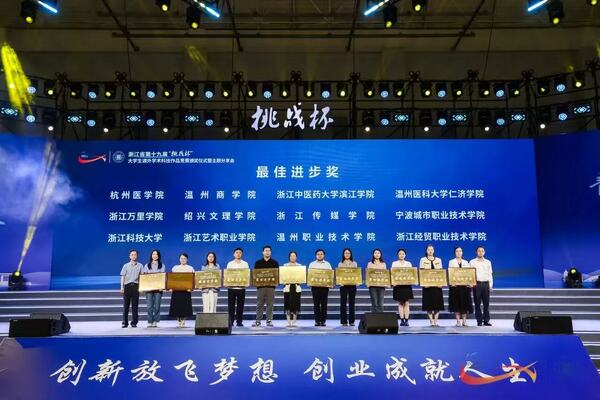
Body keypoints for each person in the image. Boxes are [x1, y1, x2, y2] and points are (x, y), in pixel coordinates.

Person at [252, 245, 279, 327]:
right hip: (261, 287)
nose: (267, 252)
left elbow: (277, 275)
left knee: (270, 304)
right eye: (266, 251)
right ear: (263, 252)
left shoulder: (275, 263)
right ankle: (258, 320)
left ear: (271, 252)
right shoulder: (258, 263)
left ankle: (269, 320)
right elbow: (255, 275)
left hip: (271, 287)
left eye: (269, 251)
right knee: (259, 303)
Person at [419, 244, 444, 327]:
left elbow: (441, 273)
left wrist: (441, 283)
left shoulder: (438, 260)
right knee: (428, 304)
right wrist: (423, 284)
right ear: (426, 251)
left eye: (431, 249)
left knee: (437, 304)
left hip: (437, 286)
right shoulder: (423, 260)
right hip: (427, 286)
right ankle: (431, 321)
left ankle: (436, 321)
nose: (430, 251)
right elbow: (421, 273)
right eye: (429, 249)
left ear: (434, 251)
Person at [448, 246, 474, 327]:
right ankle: (458, 321)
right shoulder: (451, 262)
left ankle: (464, 321)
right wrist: (451, 282)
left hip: (464, 287)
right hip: (455, 287)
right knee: (456, 304)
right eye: (457, 251)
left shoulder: (466, 262)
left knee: (465, 304)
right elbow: (450, 273)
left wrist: (470, 283)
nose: (458, 252)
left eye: (460, 251)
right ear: (455, 253)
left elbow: (469, 274)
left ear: (462, 252)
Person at [169, 253, 195, 327]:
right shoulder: (175, 268)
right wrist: (171, 287)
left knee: (185, 306)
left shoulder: (190, 268)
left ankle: (183, 321)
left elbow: (193, 279)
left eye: (184, 258)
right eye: (181, 258)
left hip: (186, 291)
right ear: (179, 259)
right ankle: (179, 320)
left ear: (187, 259)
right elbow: (172, 279)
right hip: (176, 290)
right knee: (177, 306)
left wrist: (191, 288)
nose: (183, 260)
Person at [142, 249, 166, 328]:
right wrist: (144, 286)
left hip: (158, 289)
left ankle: (155, 321)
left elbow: (162, 277)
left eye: (156, 254)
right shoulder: (147, 265)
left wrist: (162, 287)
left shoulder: (162, 265)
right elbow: (144, 277)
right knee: (149, 306)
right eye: (153, 254)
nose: (155, 256)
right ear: (151, 256)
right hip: (149, 289)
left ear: (158, 256)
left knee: (157, 306)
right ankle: (150, 321)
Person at [470, 246, 493, 326]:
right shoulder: (472, 262)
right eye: (479, 251)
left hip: (486, 284)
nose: (480, 252)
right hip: (477, 284)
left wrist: (490, 285)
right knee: (477, 303)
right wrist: (471, 283)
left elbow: (490, 274)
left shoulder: (488, 262)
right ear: (476, 252)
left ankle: (486, 320)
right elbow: (470, 274)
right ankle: (479, 321)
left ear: (484, 252)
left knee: (486, 303)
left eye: (482, 251)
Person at [226, 248, 250, 327]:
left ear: (242, 254)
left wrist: (246, 283)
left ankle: (239, 322)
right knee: (231, 306)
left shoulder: (245, 264)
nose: (238, 254)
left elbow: (247, 275)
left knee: (240, 306)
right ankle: (230, 322)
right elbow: (227, 275)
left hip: (241, 288)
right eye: (236, 252)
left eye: (240, 252)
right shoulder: (230, 264)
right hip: (231, 288)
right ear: (234, 254)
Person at [309, 249, 332, 327]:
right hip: (315, 287)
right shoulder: (312, 264)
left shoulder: (327, 264)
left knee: (324, 304)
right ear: (316, 255)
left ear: (324, 255)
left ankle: (323, 321)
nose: (320, 255)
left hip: (324, 287)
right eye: (318, 254)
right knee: (316, 304)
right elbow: (310, 275)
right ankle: (317, 321)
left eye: (321, 254)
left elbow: (330, 275)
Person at [391, 248, 414, 326]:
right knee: (400, 303)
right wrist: (393, 283)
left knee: (406, 302)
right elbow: (392, 274)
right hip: (398, 286)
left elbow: (411, 274)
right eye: (400, 254)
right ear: (398, 255)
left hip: (406, 286)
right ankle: (401, 320)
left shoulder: (408, 263)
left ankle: (406, 320)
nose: (401, 255)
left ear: (405, 255)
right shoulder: (394, 263)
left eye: (403, 254)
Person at [120, 249, 142, 328]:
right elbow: (123, 277)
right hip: (127, 286)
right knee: (126, 306)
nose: (133, 256)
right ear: (129, 256)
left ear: (137, 256)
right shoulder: (125, 265)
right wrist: (122, 287)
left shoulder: (140, 265)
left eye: (135, 254)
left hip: (135, 286)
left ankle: (134, 322)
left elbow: (141, 277)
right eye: (132, 255)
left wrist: (141, 287)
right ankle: (125, 322)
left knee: (135, 306)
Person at [338, 248, 358, 326]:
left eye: (348, 253)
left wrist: (357, 281)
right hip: (343, 286)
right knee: (343, 303)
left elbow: (356, 274)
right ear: (343, 254)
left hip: (352, 286)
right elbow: (339, 275)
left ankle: (352, 321)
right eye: (345, 253)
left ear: (351, 254)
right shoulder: (340, 264)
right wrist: (340, 282)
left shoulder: (354, 263)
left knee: (352, 303)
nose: (347, 254)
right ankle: (344, 321)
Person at [282, 251, 303, 328]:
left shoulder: (300, 266)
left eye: (294, 256)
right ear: (289, 257)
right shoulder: (285, 266)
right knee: (287, 304)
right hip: (288, 287)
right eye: (291, 256)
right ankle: (288, 320)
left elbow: (302, 278)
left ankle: (294, 320)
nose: (292, 257)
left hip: (296, 287)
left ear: (296, 257)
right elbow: (283, 277)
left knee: (296, 304)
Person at [367, 248, 387, 313]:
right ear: (373, 254)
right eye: (375, 253)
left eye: (378, 253)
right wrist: (368, 283)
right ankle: (374, 317)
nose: (377, 254)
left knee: (381, 303)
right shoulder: (370, 264)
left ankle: (380, 317)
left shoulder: (383, 264)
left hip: (381, 286)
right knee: (374, 303)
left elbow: (385, 274)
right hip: (372, 286)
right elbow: (368, 274)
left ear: (380, 254)